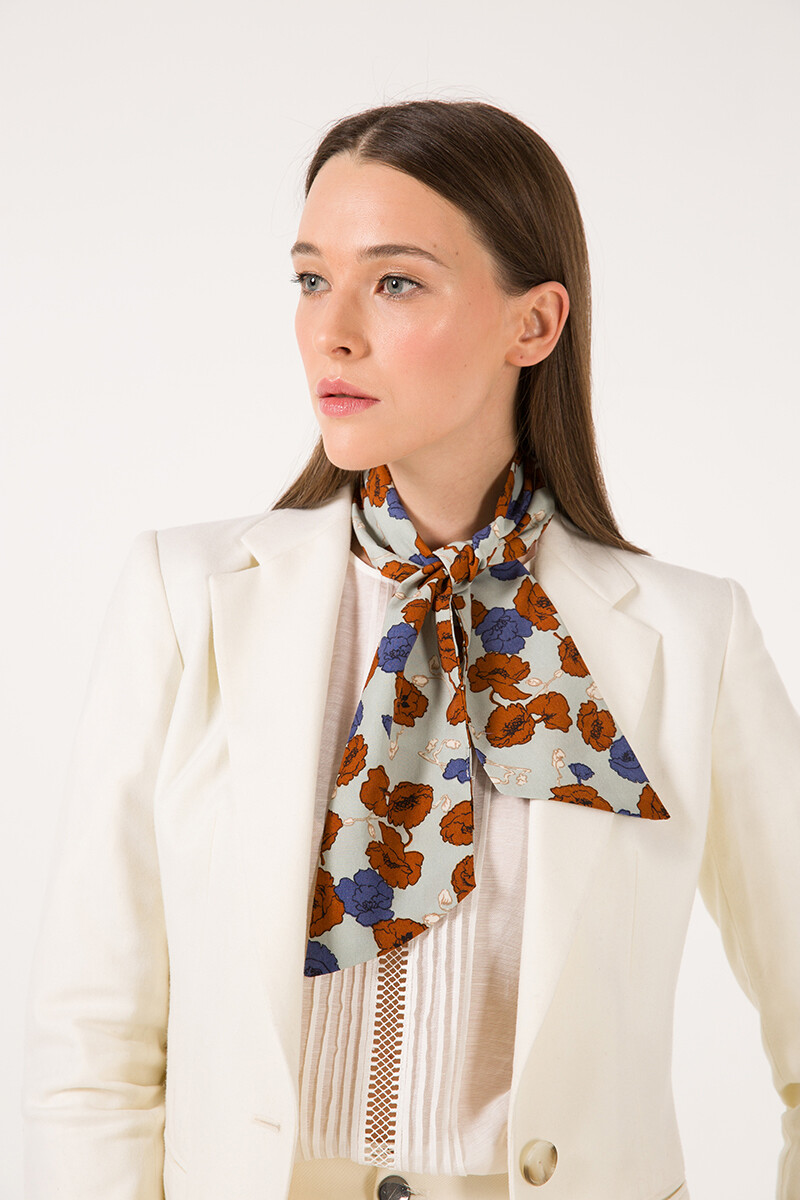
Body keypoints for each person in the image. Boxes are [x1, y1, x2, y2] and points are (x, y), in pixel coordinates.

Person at [23, 99, 800, 1200]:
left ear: (533, 325)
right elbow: (91, 1043)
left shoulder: (690, 637)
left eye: (394, 282)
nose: (331, 331)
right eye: (310, 279)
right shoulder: (186, 600)